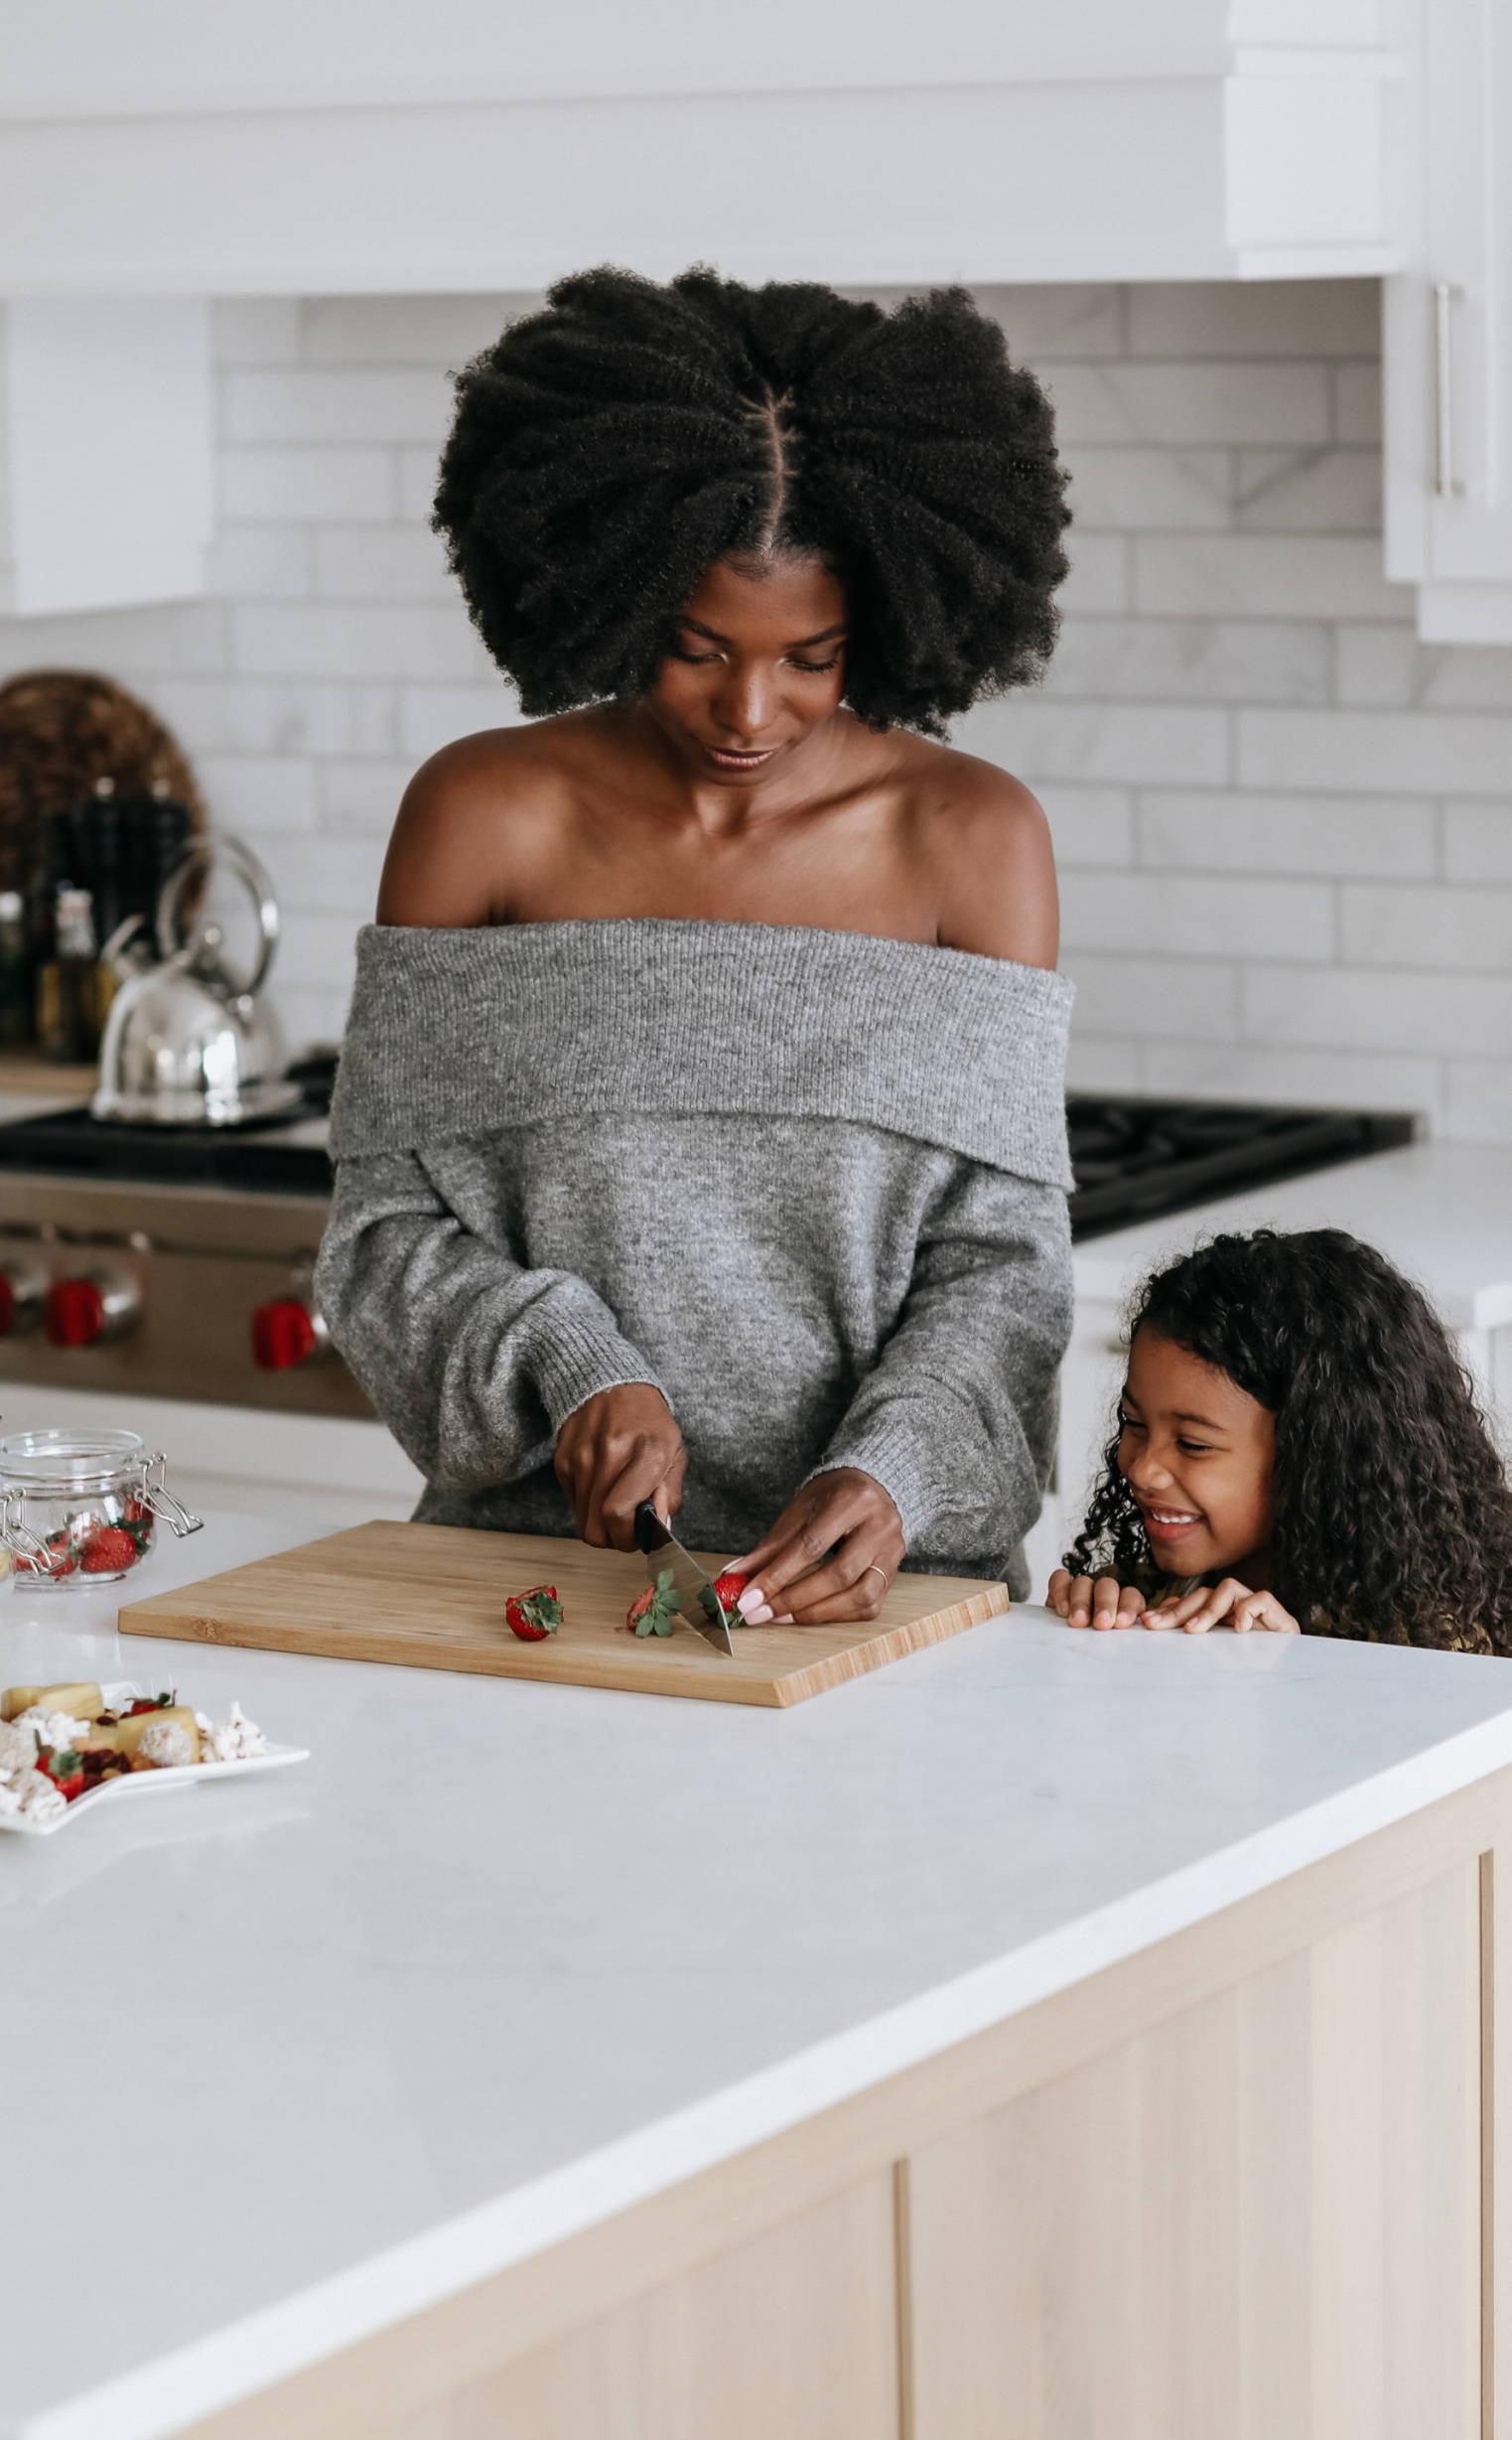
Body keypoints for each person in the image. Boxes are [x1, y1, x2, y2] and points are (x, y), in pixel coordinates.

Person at [317, 265, 1076, 1624]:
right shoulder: (482, 816)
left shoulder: (971, 840)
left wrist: (895, 1471)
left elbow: (1002, 1271)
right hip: (526, 1590)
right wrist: (569, 1359)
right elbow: (379, 1237)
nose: (747, 706)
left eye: (811, 656)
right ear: (606, 590)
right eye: (691, 644)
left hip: (882, 1604)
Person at [1047, 1227, 1512, 1650]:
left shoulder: (1429, 1642)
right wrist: (1094, 1638)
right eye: (1134, 1422)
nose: (1141, 1468)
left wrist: (1294, 1672)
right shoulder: (1149, 1592)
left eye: (1193, 1444)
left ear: (1317, 1459)